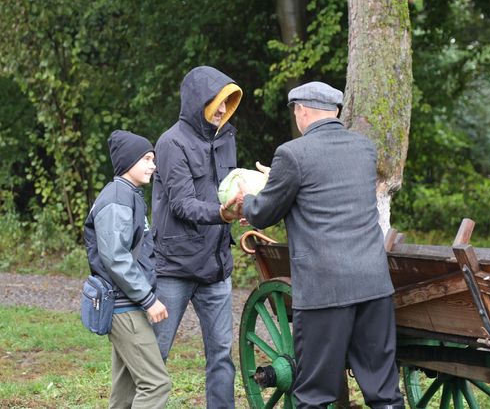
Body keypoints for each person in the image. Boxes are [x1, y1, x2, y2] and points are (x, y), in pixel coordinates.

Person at [235, 82, 404, 409]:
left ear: (302, 111)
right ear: (335, 111)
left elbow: (263, 212)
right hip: (373, 284)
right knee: (384, 393)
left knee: (314, 395)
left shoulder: (292, 154)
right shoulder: (364, 149)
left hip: (326, 290)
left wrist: (246, 200)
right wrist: (281, 178)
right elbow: (329, 186)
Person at [151, 65, 243, 408]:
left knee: (221, 354)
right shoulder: (171, 142)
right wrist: (222, 213)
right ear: (197, 101)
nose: (222, 110)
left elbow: (231, 190)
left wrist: (249, 210)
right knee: (154, 355)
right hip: (173, 268)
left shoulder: (226, 137)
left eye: (227, 103)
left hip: (216, 267)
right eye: (216, 102)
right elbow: (183, 205)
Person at [83, 130, 171, 409]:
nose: (153, 165)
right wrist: (148, 299)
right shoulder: (117, 197)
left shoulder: (129, 194)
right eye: (146, 159)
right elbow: (116, 257)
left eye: (153, 159)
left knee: (125, 392)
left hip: (127, 303)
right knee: (156, 384)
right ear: (127, 162)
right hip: (124, 305)